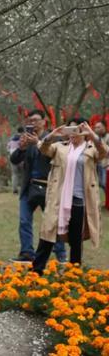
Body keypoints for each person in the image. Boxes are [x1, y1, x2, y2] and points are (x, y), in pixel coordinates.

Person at [32, 119, 108, 274]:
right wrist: (53, 134)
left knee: (76, 240)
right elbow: (43, 148)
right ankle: (36, 271)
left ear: (84, 132)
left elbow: (104, 152)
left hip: (80, 200)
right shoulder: (60, 147)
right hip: (58, 200)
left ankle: (74, 274)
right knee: (47, 234)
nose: (73, 133)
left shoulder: (91, 149)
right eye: (70, 129)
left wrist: (91, 134)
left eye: (77, 129)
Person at [9, 110, 66, 263]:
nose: (33, 123)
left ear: (43, 121)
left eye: (36, 120)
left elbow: (58, 157)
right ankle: (27, 253)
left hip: (49, 187)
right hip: (29, 187)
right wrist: (21, 148)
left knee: (52, 221)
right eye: (30, 120)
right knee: (24, 220)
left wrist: (38, 143)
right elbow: (14, 160)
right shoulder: (26, 140)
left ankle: (60, 254)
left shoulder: (54, 138)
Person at [7, 127, 24, 194]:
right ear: (23, 131)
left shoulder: (12, 139)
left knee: (14, 174)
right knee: (23, 174)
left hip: (12, 158)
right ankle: (22, 188)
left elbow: (8, 148)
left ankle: (14, 189)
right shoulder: (23, 138)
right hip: (21, 158)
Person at [94, 120, 108, 190]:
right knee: (100, 183)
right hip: (98, 164)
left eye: (99, 127)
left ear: (104, 127)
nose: (97, 129)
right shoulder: (95, 139)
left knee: (104, 183)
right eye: (96, 127)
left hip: (106, 165)